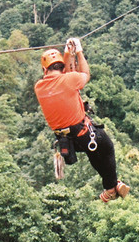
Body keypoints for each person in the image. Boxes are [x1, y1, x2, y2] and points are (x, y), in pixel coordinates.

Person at [34, 37, 130, 202]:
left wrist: (66, 54)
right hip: (83, 133)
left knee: (94, 154)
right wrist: (78, 51)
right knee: (106, 147)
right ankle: (111, 187)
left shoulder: (39, 87)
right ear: (62, 67)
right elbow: (85, 74)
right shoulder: (69, 80)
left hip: (67, 141)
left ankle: (111, 188)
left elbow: (60, 78)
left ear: (44, 70)